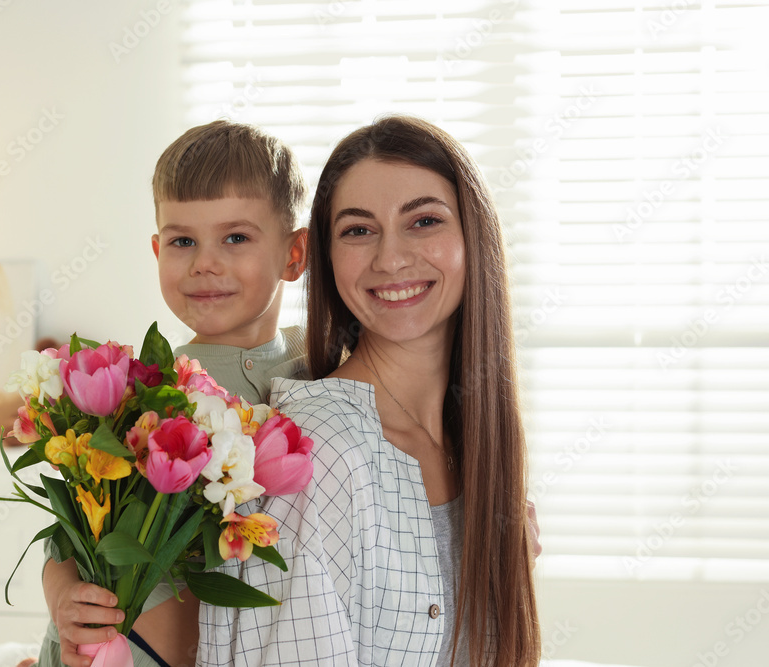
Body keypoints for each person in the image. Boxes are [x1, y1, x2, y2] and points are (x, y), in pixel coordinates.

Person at [196, 115, 541, 665]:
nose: (391, 258)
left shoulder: (477, 445)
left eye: (424, 221)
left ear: (473, 236)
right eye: (358, 230)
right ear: (326, 257)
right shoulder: (319, 448)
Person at [36, 119, 310, 667]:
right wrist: (64, 597)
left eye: (236, 237)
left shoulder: (320, 363)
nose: (204, 262)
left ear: (294, 254)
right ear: (157, 249)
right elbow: (66, 533)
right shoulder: (147, 391)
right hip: (120, 648)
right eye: (183, 241)